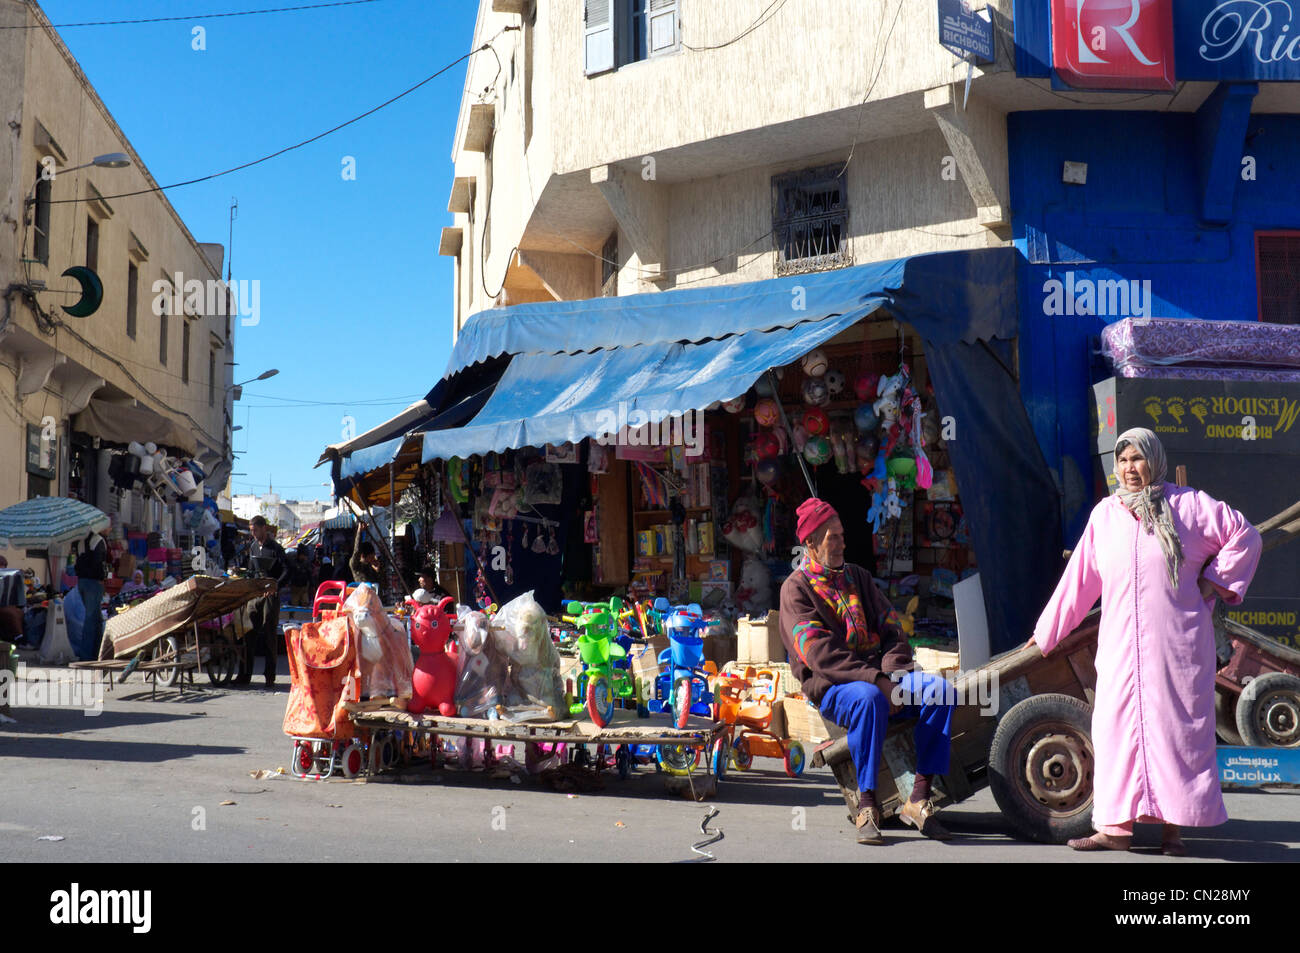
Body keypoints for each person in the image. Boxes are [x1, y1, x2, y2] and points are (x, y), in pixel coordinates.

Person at [1033, 428, 1261, 856]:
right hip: (1121, 649)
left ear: (1153, 461)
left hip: (1178, 648)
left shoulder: (1188, 506)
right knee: (1115, 732)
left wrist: (1213, 584)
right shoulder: (1106, 515)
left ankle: (1174, 830)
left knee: (1178, 734)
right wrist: (1046, 633)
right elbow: (1079, 579)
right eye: (1122, 460)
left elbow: (1245, 536)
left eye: (1137, 459)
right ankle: (1113, 830)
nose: (1129, 468)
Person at [779, 498, 956, 845]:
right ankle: (868, 804)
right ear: (810, 545)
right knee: (869, 698)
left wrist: (890, 675)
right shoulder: (795, 590)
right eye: (833, 537)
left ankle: (918, 799)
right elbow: (820, 655)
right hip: (835, 687)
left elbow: (893, 629)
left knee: (940, 691)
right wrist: (877, 681)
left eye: (842, 535)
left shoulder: (858, 577)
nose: (842, 543)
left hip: (883, 678)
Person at [239, 516, 289, 688]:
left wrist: (276, 586)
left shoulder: (276, 549)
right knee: (248, 633)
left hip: (270, 596)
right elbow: (251, 571)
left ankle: (270, 676)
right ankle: (245, 675)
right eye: (251, 530)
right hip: (255, 595)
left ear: (264, 528)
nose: (253, 534)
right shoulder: (252, 547)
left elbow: (287, 571)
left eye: (255, 530)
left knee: (269, 635)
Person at [73, 530, 108, 661]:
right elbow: (99, 562)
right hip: (93, 582)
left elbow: (78, 561)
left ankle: (98, 652)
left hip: (82, 581)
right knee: (91, 619)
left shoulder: (80, 541)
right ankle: (87, 655)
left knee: (97, 618)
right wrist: (101, 578)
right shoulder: (98, 540)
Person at [349, 523, 382, 588]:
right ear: (363, 556)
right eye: (371, 557)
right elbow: (357, 550)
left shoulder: (371, 566)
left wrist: (378, 571)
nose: (373, 559)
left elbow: (379, 584)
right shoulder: (355, 565)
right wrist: (359, 532)